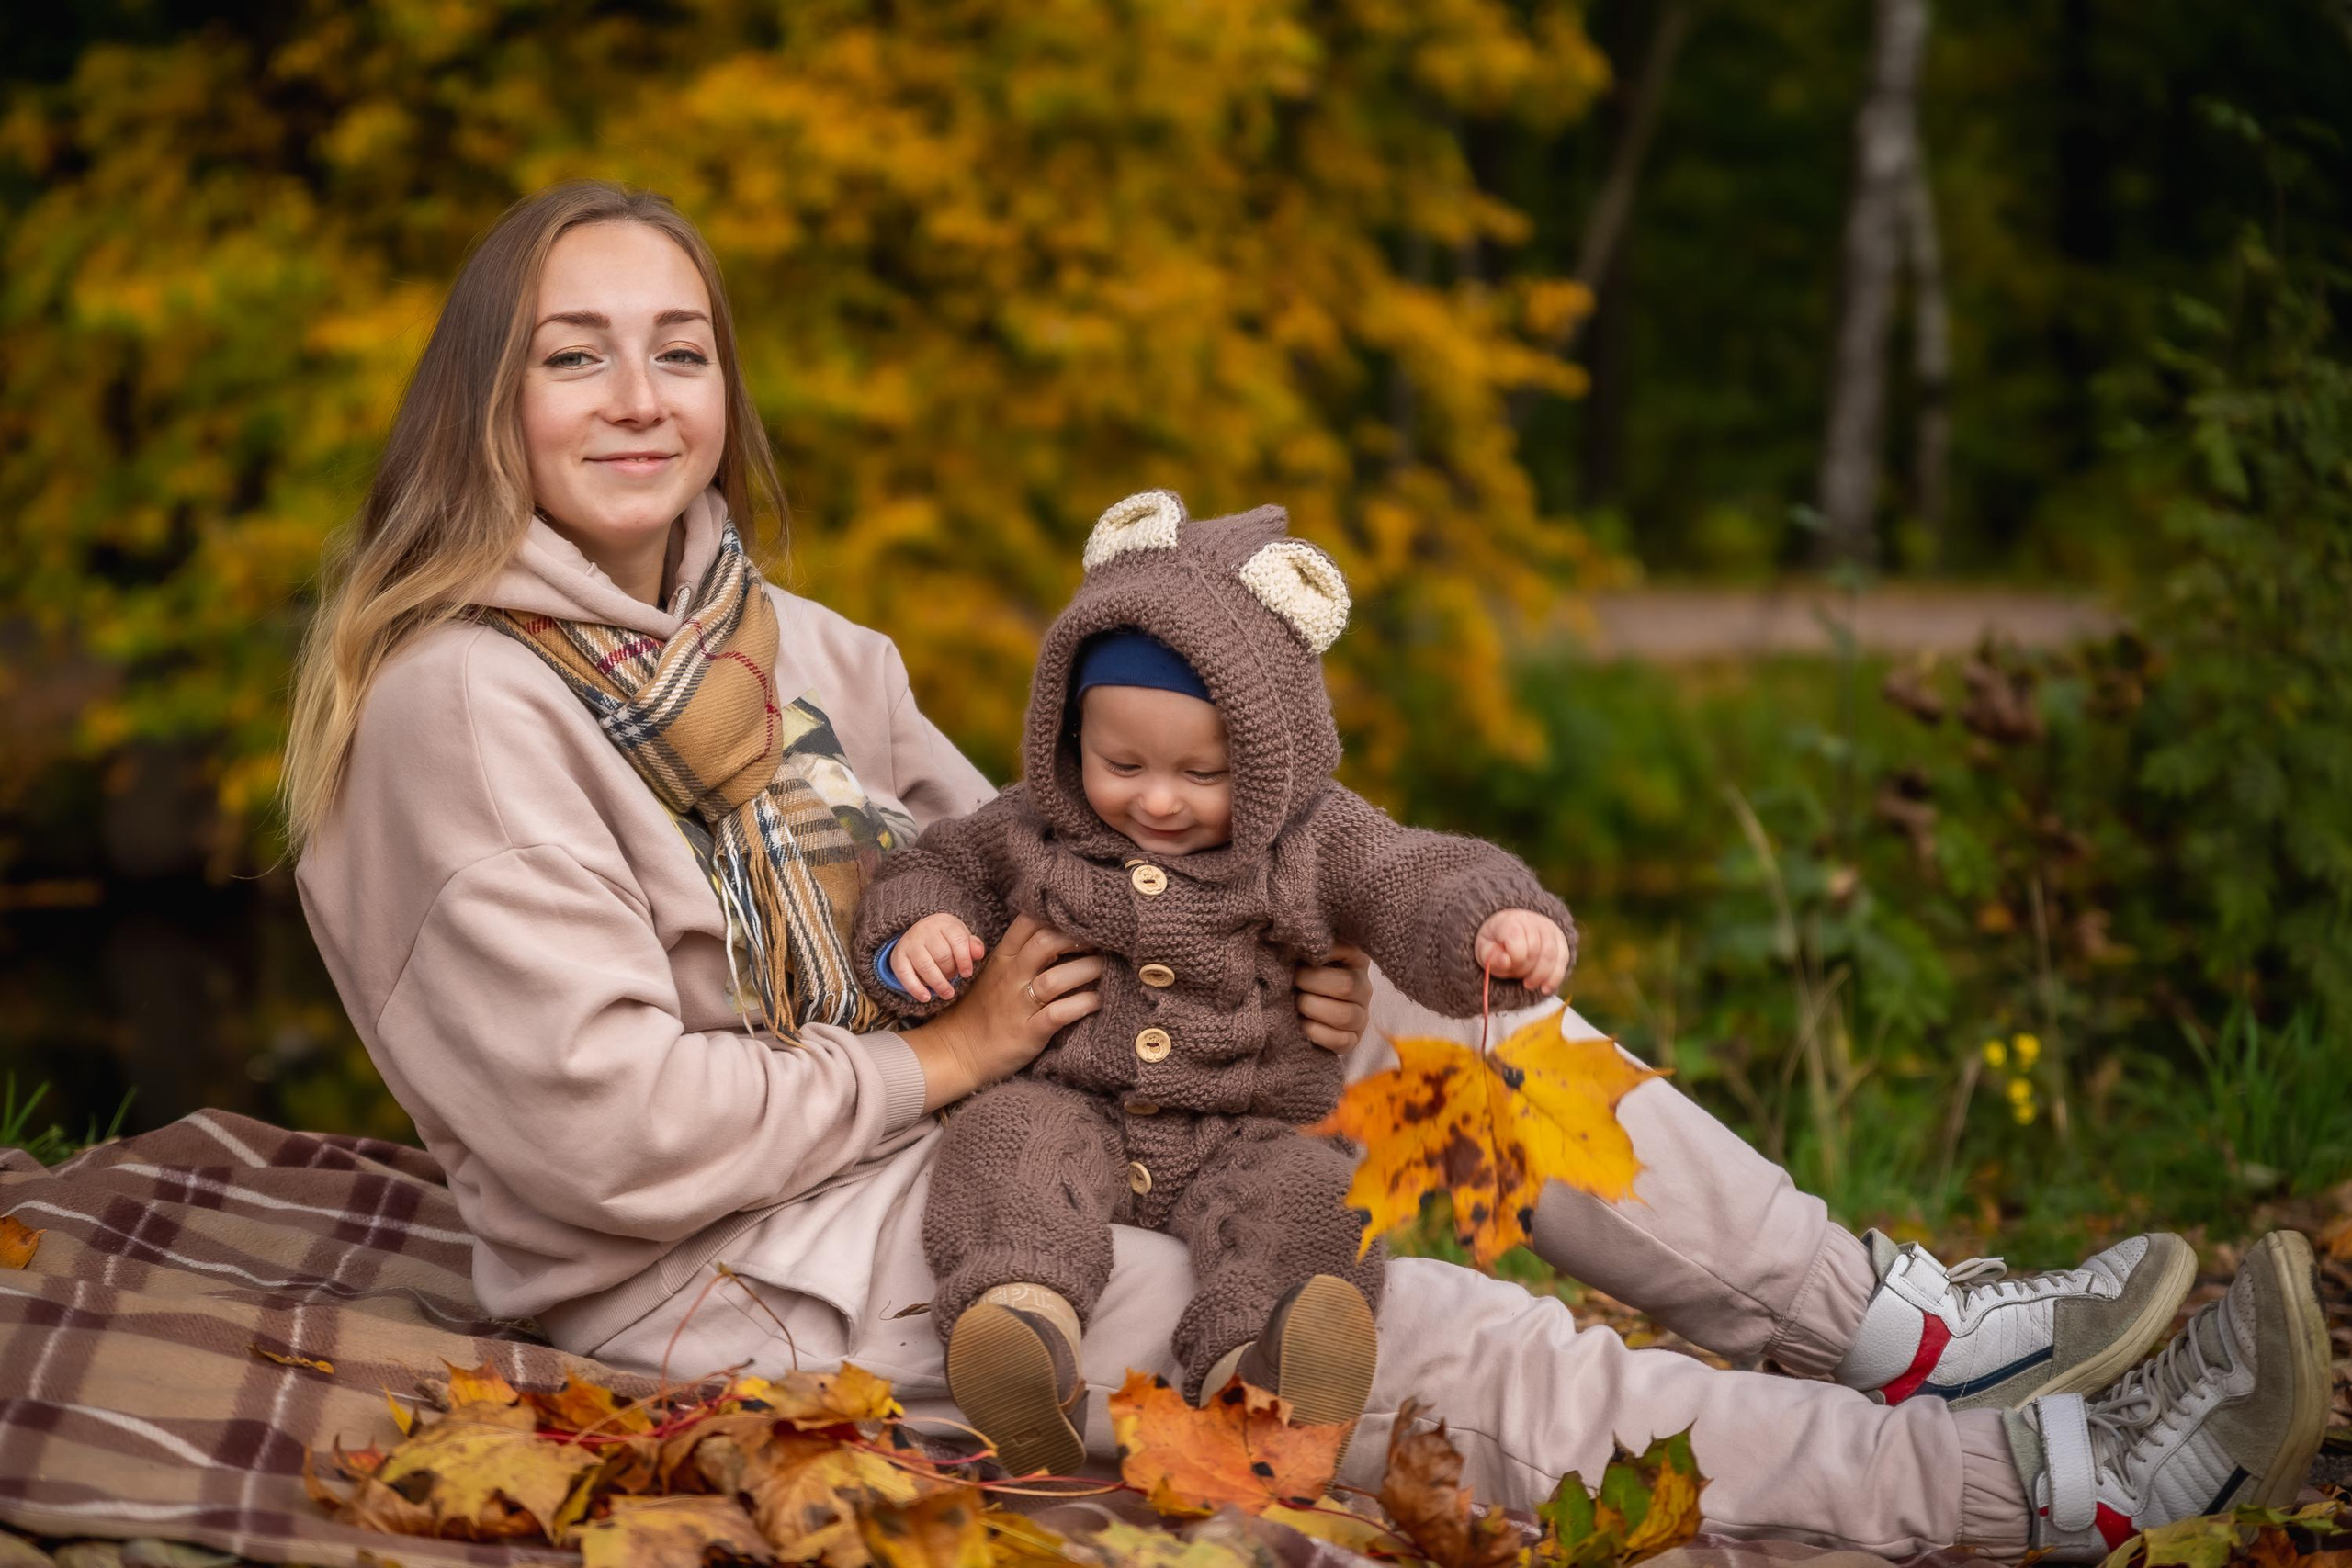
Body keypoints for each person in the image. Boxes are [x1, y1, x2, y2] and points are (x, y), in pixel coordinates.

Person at [288, 180, 2332, 1564]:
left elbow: (1037, 858)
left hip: (995, 1086)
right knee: (1385, 1323)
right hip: (726, 1248)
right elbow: (594, 1132)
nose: (640, 399)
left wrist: (1269, 980)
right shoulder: (458, 708)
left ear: (727, 391)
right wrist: (943, 1059)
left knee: (1427, 995)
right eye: (576, 355)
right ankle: (2009, 1485)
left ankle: (1883, 1314)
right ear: (490, 394)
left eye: (678, 349)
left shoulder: (797, 647)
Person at [850, 491, 1576, 1473]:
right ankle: (1021, 1328)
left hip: (1251, 1124)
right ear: (1070, 740)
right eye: (1121, 762)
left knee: (1320, 1199)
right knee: (1002, 1142)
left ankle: (1264, 1370)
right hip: (1073, 1101)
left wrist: (1494, 920)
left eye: (1203, 774)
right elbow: (939, 865)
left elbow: (1411, 875)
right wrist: (918, 936)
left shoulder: (1310, 838)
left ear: (1272, 762)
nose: (1155, 799)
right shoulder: (1033, 826)